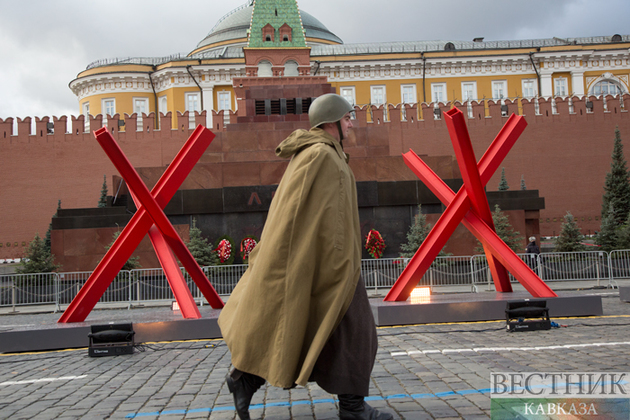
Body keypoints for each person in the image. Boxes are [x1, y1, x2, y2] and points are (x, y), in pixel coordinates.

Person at [218, 93, 393, 420]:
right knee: (357, 331)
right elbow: (296, 215)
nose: (351, 123)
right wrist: (325, 263)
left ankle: (244, 381)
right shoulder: (319, 156)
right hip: (328, 263)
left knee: (318, 327)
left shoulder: (326, 154)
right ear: (331, 122)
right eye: (346, 118)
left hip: (330, 261)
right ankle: (353, 409)